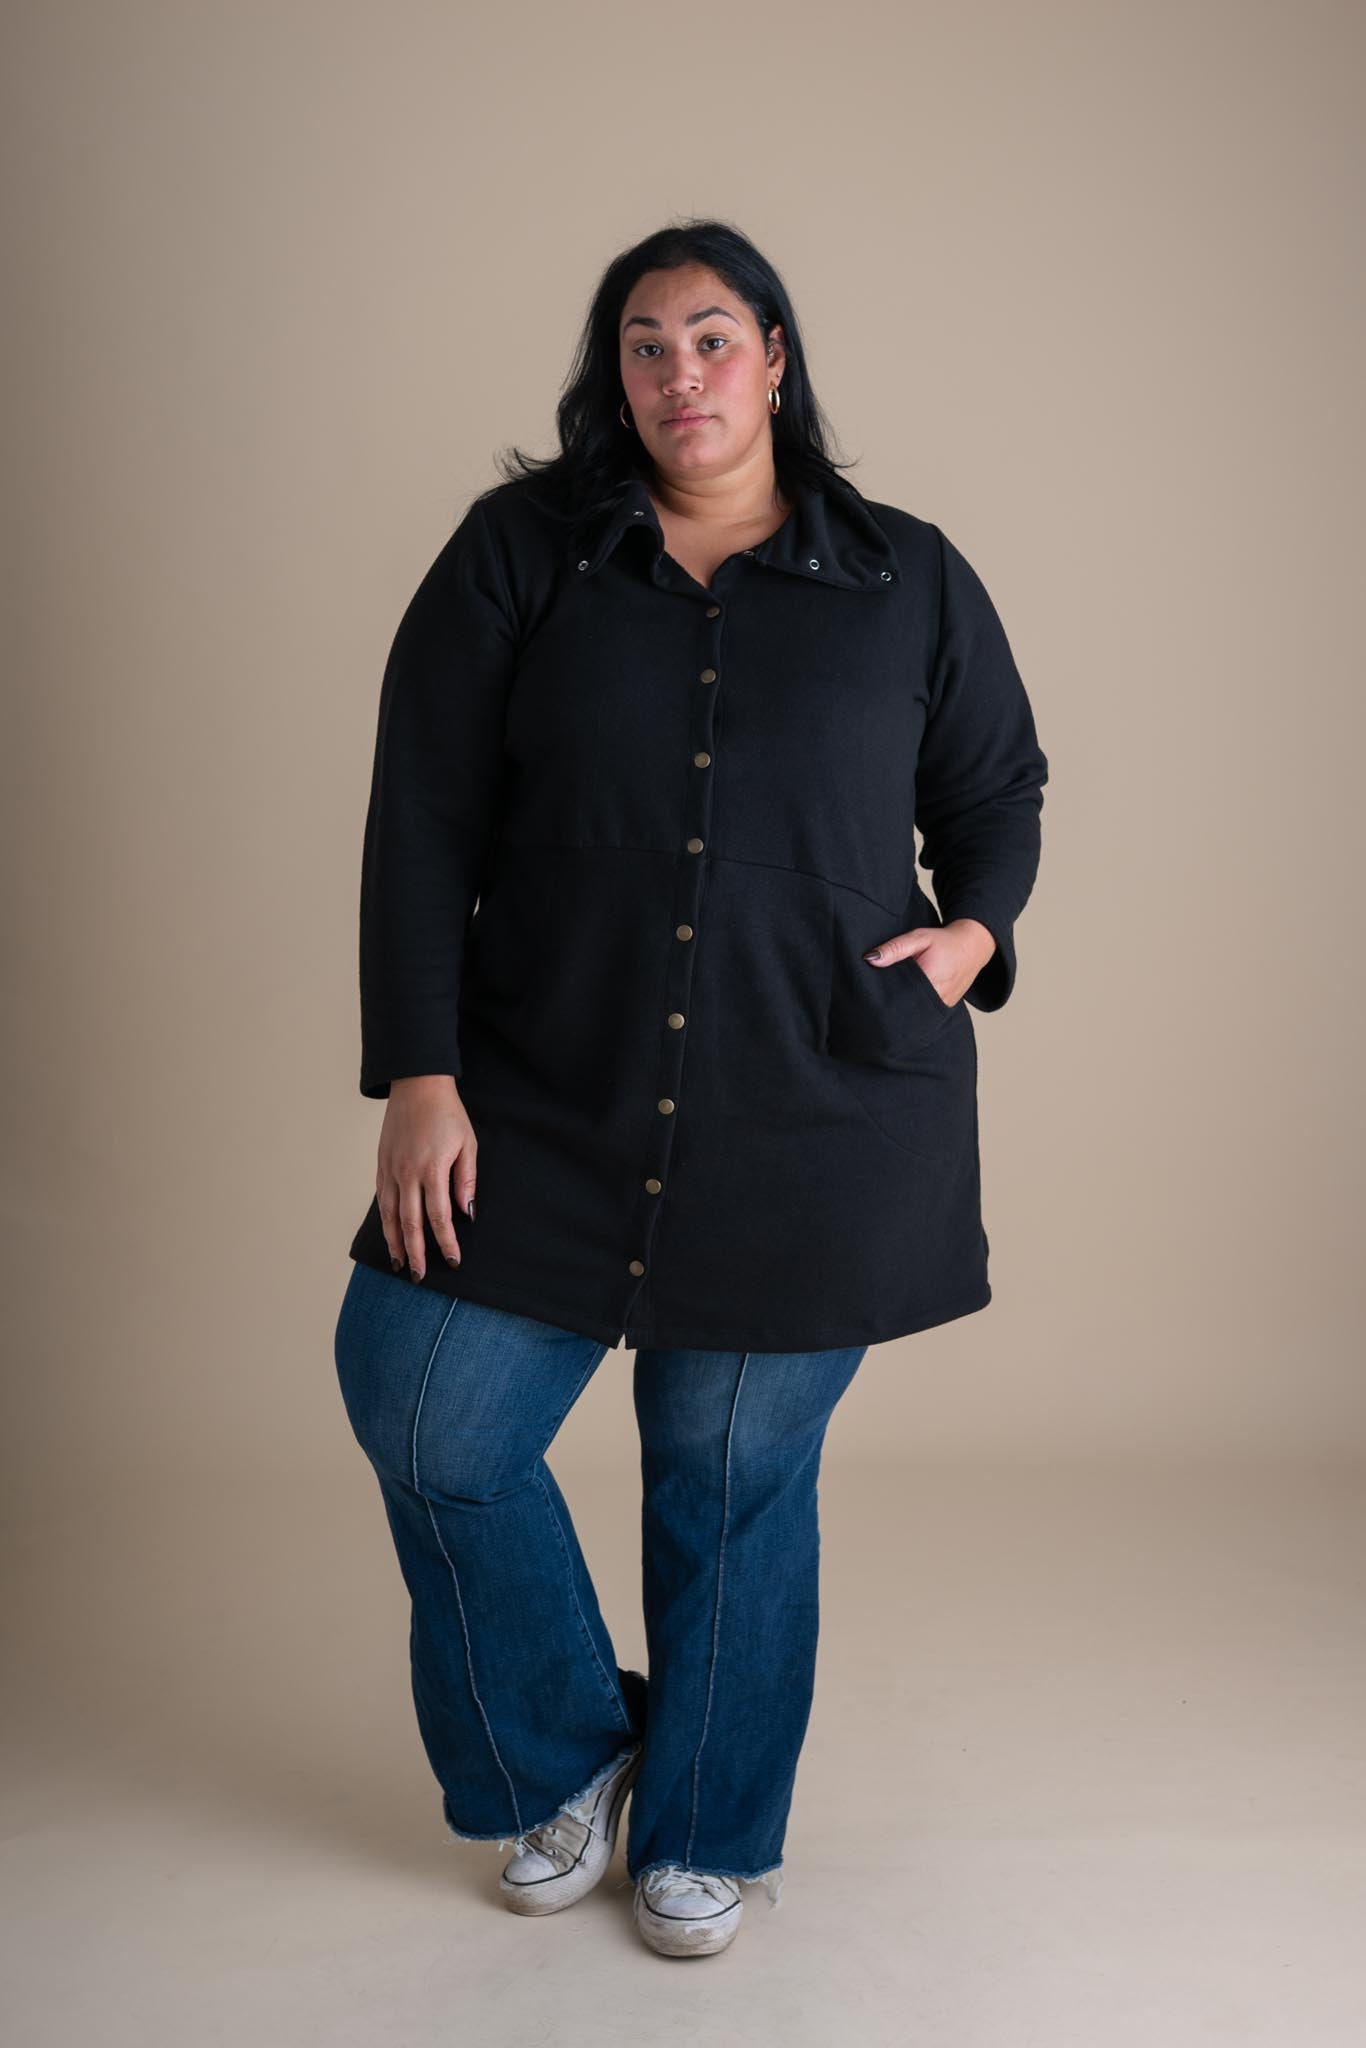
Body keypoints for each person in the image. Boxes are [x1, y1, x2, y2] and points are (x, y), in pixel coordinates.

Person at [333, 219, 1049, 1960]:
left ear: (776, 359)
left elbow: (996, 789)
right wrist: (419, 1071)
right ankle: (565, 1751)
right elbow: (422, 816)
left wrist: (973, 934)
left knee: (730, 1476)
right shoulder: (519, 556)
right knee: (425, 1411)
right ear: (615, 376)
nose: (680, 374)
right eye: (644, 344)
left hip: (811, 1108)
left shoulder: (907, 577)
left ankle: (709, 1826)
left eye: (713, 337)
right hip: (544, 1090)